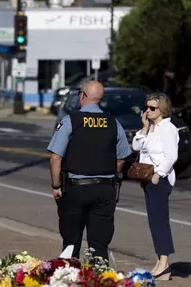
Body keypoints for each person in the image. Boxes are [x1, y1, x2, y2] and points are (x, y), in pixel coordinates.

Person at [47, 81, 132, 261]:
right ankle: (100, 278)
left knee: (71, 243)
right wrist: (112, 175)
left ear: (83, 95)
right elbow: (121, 157)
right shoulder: (113, 123)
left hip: (75, 189)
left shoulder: (71, 121)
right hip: (104, 190)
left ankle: (70, 277)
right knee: (99, 245)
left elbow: (55, 157)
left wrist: (56, 186)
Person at [131, 92, 178, 281]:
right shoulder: (151, 127)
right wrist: (143, 128)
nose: (147, 111)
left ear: (163, 110)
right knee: (154, 221)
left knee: (159, 222)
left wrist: (159, 175)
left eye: (152, 108)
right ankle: (160, 262)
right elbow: (136, 147)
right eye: (146, 107)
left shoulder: (168, 129)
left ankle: (164, 264)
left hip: (160, 180)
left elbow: (171, 156)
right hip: (148, 179)